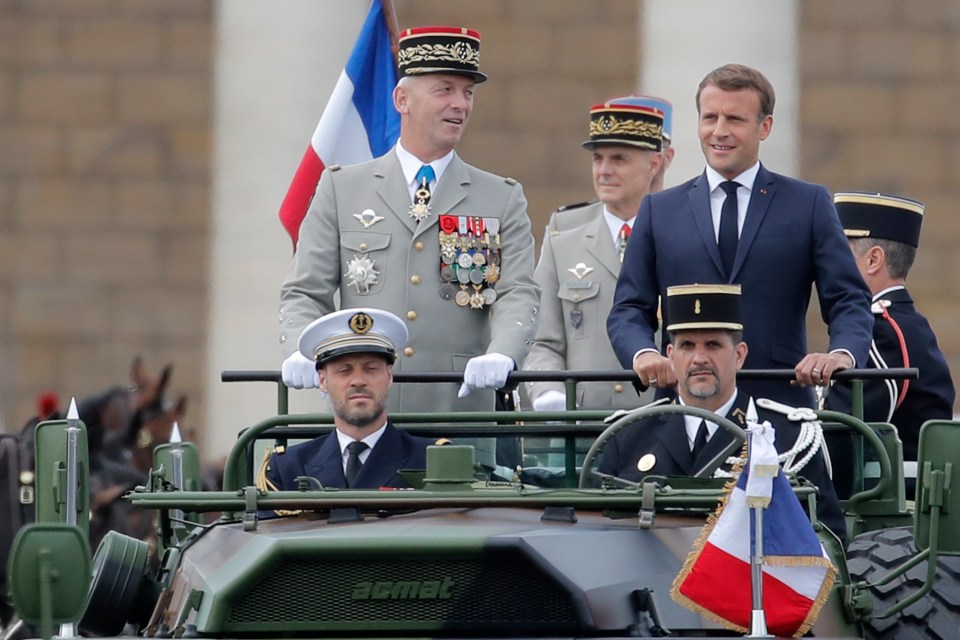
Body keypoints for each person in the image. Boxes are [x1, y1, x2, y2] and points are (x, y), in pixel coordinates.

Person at [277, 27, 540, 473]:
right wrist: (302, 347)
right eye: (445, 90)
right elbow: (305, 291)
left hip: (458, 419)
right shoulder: (343, 188)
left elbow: (518, 292)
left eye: (467, 93)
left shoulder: (500, 197)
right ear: (402, 100)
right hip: (364, 420)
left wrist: (505, 351)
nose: (460, 104)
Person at [607, 63, 873, 408]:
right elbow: (628, 307)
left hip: (779, 404)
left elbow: (849, 298)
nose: (719, 131)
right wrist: (642, 354)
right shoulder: (659, 210)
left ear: (765, 127)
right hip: (683, 408)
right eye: (709, 117)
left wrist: (842, 355)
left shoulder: (808, 203)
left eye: (734, 119)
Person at [600, 284, 846, 540]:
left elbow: (826, 539)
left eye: (713, 345)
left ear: (739, 356)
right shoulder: (630, 436)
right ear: (671, 356)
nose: (699, 358)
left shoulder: (789, 436)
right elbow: (599, 534)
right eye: (687, 345)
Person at [524, 97, 668, 412]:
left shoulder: (681, 236)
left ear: (654, 164)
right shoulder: (564, 240)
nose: (604, 170)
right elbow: (541, 340)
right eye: (598, 158)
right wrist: (549, 394)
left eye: (619, 159)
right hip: (582, 428)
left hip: (659, 421)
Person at [826, 192, 955, 495]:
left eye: (839, 254)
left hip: (887, 507)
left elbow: (847, 436)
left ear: (873, 260)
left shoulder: (879, 329)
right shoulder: (902, 322)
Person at [261, 308, 437, 491]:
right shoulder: (289, 466)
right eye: (344, 371)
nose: (358, 381)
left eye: (371, 369)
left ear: (389, 376)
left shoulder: (431, 459)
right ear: (323, 380)